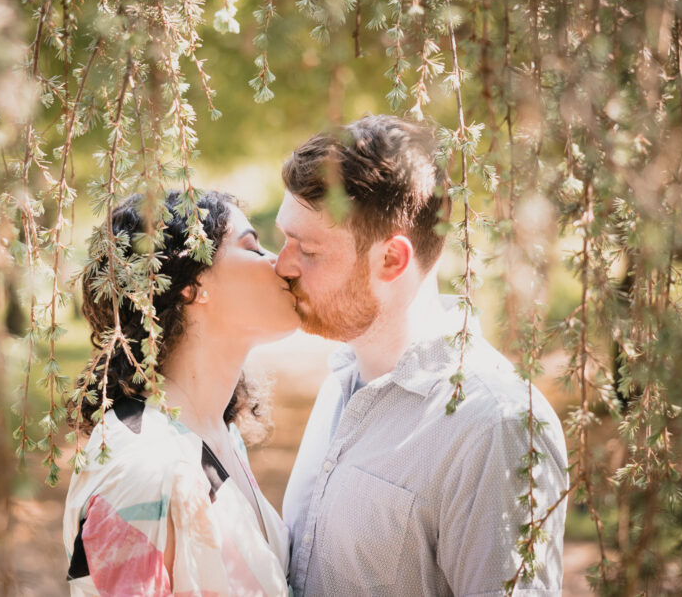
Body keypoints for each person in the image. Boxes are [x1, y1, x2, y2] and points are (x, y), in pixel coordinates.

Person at [278, 115, 568, 596]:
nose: (282, 265)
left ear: (392, 260)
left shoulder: (497, 427)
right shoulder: (342, 380)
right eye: (284, 238)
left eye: (307, 250)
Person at [62, 190, 297, 597]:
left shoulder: (216, 435)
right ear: (190, 284)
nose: (280, 263)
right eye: (252, 247)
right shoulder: (144, 470)